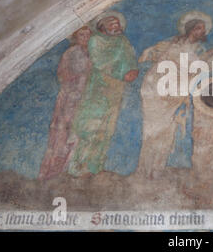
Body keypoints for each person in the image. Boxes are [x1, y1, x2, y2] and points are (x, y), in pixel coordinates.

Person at [137, 11, 213, 179]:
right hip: (157, 93)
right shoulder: (176, 45)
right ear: (189, 29)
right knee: (153, 132)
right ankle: (144, 171)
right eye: (198, 28)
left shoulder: (194, 49)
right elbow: (192, 65)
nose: (201, 32)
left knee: (167, 132)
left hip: (172, 96)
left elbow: (198, 66)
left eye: (203, 29)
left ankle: (156, 171)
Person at [68, 11, 139, 177]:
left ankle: (95, 167)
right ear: (102, 26)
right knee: (92, 127)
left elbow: (129, 58)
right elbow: (100, 62)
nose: (116, 26)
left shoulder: (122, 41)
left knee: (107, 129)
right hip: (98, 88)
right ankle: (79, 167)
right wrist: (122, 73)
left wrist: (132, 69)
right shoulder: (96, 40)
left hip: (116, 89)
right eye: (112, 23)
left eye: (117, 23)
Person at [39, 26, 92, 180]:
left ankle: (74, 170)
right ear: (75, 36)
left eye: (88, 34)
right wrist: (78, 76)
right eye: (82, 34)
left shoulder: (93, 53)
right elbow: (62, 74)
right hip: (70, 98)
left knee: (81, 135)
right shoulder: (71, 53)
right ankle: (54, 172)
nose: (85, 37)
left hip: (86, 99)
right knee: (63, 135)